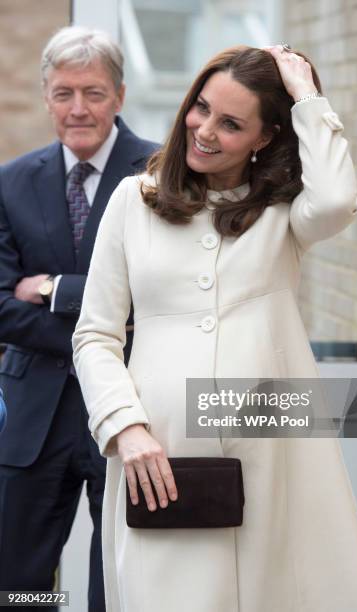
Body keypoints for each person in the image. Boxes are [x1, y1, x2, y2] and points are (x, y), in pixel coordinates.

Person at [72, 45, 357, 611]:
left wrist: (307, 98)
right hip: (160, 456)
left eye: (232, 123)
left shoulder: (284, 213)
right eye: (201, 108)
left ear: (265, 137)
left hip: (271, 453)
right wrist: (126, 426)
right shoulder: (131, 201)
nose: (205, 130)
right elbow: (95, 335)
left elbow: (339, 201)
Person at [0, 26, 157, 610]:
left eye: (93, 92)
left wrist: (52, 289)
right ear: (46, 97)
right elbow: (0, 306)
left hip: (127, 411)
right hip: (34, 419)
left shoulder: (161, 176)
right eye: (64, 93)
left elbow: (155, 295)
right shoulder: (11, 182)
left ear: (118, 95)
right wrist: (101, 329)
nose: (78, 109)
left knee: (117, 575)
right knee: (20, 579)